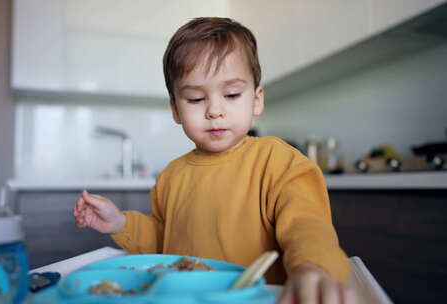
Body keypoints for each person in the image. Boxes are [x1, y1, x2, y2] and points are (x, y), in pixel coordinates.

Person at [73, 17, 354, 304]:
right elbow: (162, 239)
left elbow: (306, 225)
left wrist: (312, 266)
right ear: (176, 110)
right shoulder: (172, 176)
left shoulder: (279, 161)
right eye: (196, 99)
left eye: (231, 94)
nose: (214, 110)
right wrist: (120, 223)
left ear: (256, 99)